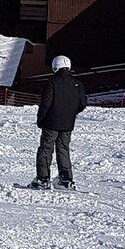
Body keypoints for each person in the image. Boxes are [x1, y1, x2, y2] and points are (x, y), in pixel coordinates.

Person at [29, 55, 87, 190]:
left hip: (51, 122)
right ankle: (66, 179)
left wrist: (41, 119)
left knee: (45, 149)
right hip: (67, 124)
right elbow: (82, 103)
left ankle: (43, 179)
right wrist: (70, 113)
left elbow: (46, 103)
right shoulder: (77, 83)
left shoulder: (52, 82)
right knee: (63, 150)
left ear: (55, 66)